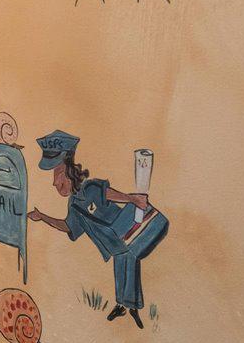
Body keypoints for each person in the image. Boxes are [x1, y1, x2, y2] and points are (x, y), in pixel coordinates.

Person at [28, 130, 168, 327]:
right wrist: (43, 217)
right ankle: (122, 305)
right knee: (121, 266)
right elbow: (68, 226)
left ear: (69, 173)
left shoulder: (89, 188)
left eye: (59, 176)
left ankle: (133, 309)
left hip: (125, 229)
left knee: (129, 263)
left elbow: (108, 193)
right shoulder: (74, 205)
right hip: (113, 240)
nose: (56, 184)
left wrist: (132, 198)